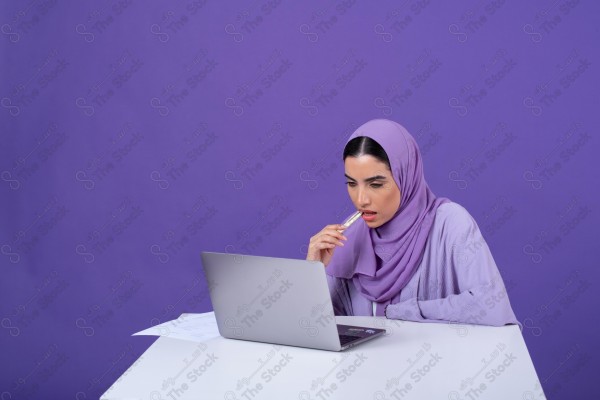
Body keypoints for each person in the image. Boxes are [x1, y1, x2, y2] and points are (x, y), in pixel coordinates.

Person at [306, 119, 518, 326]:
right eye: (352, 184)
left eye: (376, 184)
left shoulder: (451, 223)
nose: (361, 199)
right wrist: (312, 273)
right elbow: (316, 330)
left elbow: (492, 308)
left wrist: (404, 312)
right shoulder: (349, 238)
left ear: (406, 176)